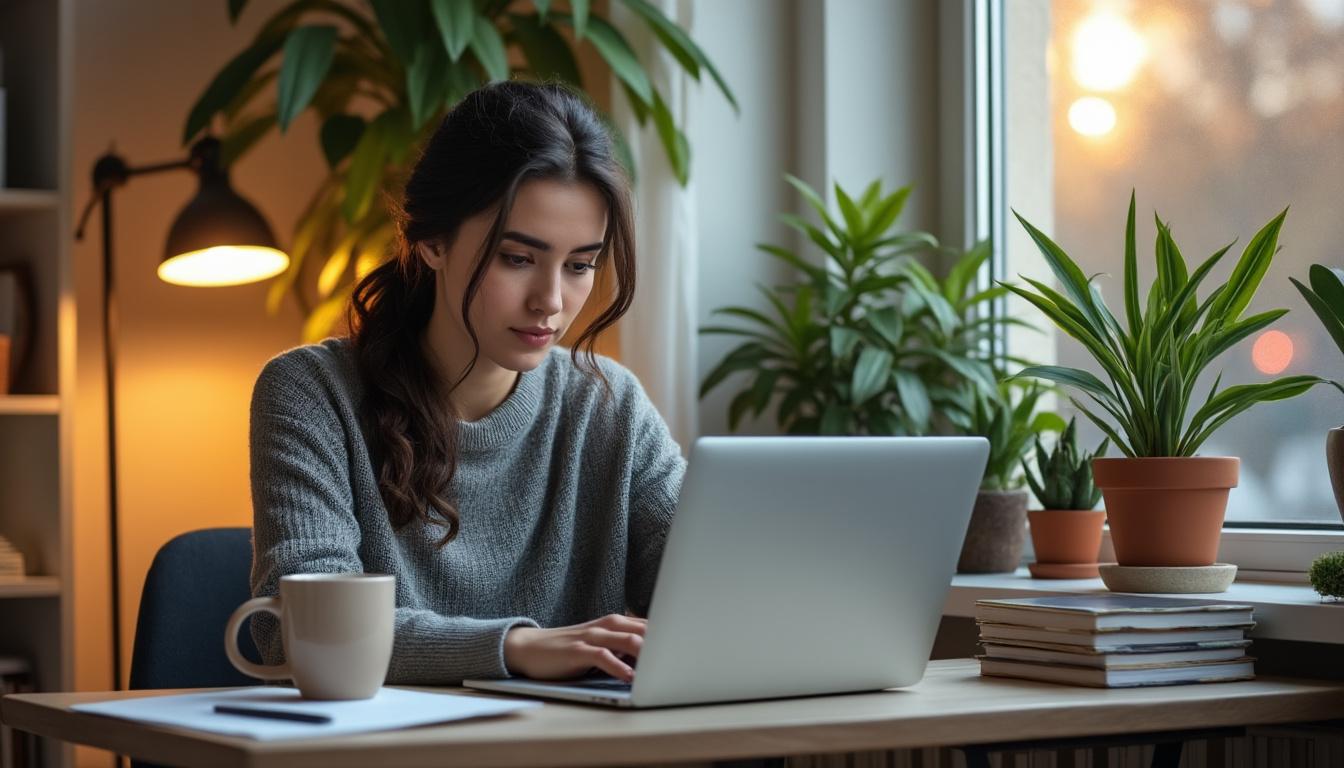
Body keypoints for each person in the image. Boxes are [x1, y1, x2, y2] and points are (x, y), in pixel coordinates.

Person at [248, 81, 686, 686]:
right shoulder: (311, 392)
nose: (552, 302)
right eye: (518, 258)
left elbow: (709, 592)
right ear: (431, 242)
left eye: (581, 265)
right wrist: (517, 647)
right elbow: (293, 631)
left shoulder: (610, 406)